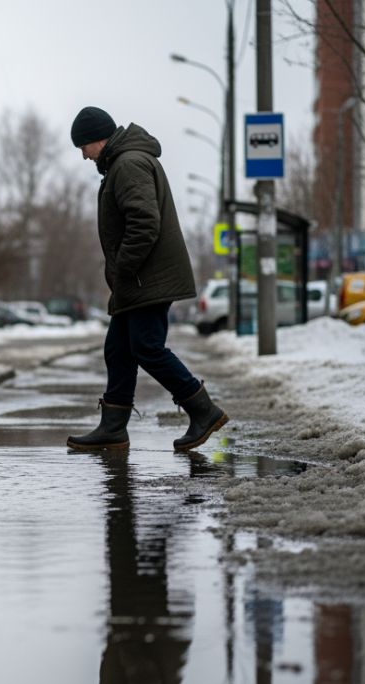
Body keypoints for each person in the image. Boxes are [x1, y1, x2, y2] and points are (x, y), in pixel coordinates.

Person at [66, 106, 228, 452]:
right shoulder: (123, 163)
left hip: (146, 278)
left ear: (97, 138)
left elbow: (144, 222)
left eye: (83, 146)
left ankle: (203, 409)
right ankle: (113, 427)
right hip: (139, 279)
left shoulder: (128, 164)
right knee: (118, 350)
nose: (83, 155)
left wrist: (124, 267)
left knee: (147, 348)